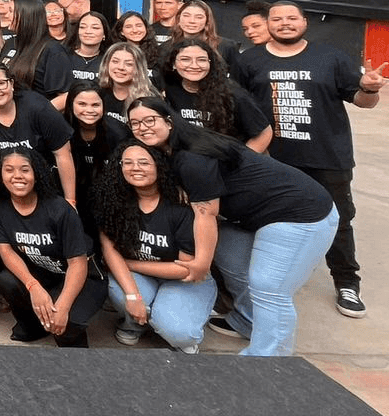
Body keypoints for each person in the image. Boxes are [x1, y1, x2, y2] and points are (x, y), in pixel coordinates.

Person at [126, 97, 337, 357]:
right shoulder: (175, 147)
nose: (143, 127)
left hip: (298, 214)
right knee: (230, 257)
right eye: (135, 123)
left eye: (150, 120)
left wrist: (200, 264)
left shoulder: (192, 157)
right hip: (252, 217)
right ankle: (248, 321)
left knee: (269, 287)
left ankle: (269, 359)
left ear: (169, 121)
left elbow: (206, 214)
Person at [236, 1, 386, 318]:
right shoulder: (249, 60)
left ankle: (347, 283)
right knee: (264, 220)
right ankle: (266, 284)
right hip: (272, 160)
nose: (285, 23)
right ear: (268, 23)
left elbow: (363, 102)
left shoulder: (330, 57)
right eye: (277, 18)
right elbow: (238, 107)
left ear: (305, 22)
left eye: (292, 18)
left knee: (338, 222)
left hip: (327, 158)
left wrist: (370, 89)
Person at [94, 140, 215, 353]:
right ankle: (135, 324)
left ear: (159, 166)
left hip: (183, 280)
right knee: (122, 294)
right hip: (142, 277)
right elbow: (109, 249)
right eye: (127, 163)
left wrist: (130, 264)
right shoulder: (112, 201)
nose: (135, 168)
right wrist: (133, 295)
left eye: (144, 162)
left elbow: (185, 269)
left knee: (180, 333)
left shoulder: (181, 205)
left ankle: (166, 320)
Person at [0, 148, 102, 347]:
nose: (17, 176)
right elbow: (5, 251)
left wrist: (63, 307)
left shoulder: (59, 209)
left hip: (82, 275)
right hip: (42, 272)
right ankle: (34, 326)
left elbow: (78, 263)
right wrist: (33, 286)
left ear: (36, 174)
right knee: (7, 280)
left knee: (66, 323)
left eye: (25, 170)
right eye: (9, 170)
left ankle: (76, 350)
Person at [0, 61, 76, 201]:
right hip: (3, 190)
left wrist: (70, 200)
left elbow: (63, 154)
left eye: (1, 83)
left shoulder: (38, 107)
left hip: (46, 186)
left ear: (11, 83)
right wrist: (0, 196)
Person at [162, 38, 271, 151]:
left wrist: (242, 160)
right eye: (185, 59)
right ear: (173, 64)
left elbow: (264, 133)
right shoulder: (170, 91)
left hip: (226, 158)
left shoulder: (233, 94)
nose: (194, 65)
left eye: (201, 60)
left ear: (210, 63)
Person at [63, 82, 129, 242]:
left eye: (95, 105)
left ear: (103, 106)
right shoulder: (61, 128)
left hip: (110, 200)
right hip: (73, 197)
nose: (89, 110)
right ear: (71, 104)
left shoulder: (118, 132)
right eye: (82, 104)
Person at [7, 0, 73, 110]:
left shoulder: (52, 50)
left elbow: (65, 96)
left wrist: (39, 115)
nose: (6, 15)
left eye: (11, 11)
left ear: (26, 15)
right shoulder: (12, 43)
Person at [97, 41, 161, 125]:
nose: (121, 67)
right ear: (106, 64)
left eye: (128, 64)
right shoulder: (98, 93)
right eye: (115, 61)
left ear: (138, 69)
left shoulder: (150, 98)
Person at [67, 11, 110, 83]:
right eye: (82, 27)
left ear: (104, 34)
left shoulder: (109, 60)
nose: (88, 31)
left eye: (95, 28)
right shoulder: (64, 56)